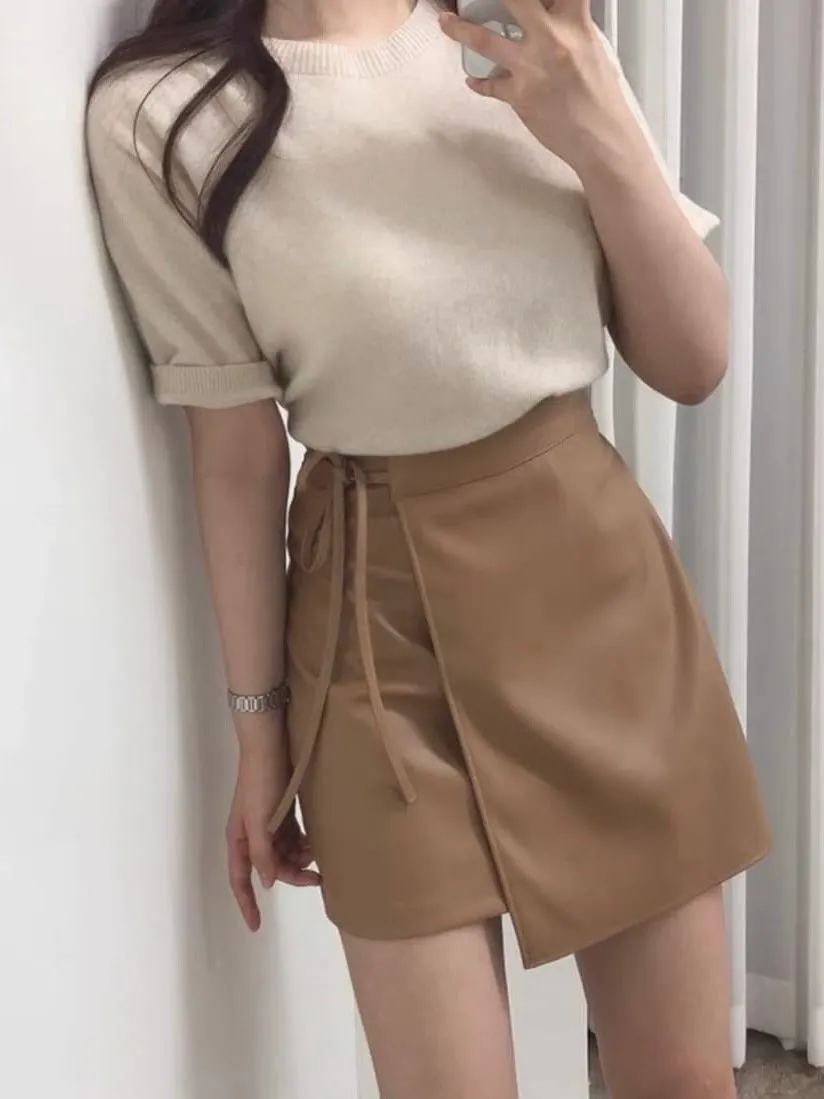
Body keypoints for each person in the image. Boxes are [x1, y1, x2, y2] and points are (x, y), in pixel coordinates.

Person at [86, 2, 771, 1096]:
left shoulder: (527, 28)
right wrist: (258, 735)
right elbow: (236, 456)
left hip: (593, 595)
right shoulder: (161, 115)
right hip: (371, 631)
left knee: (681, 1081)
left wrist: (594, 122)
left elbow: (693, 359)